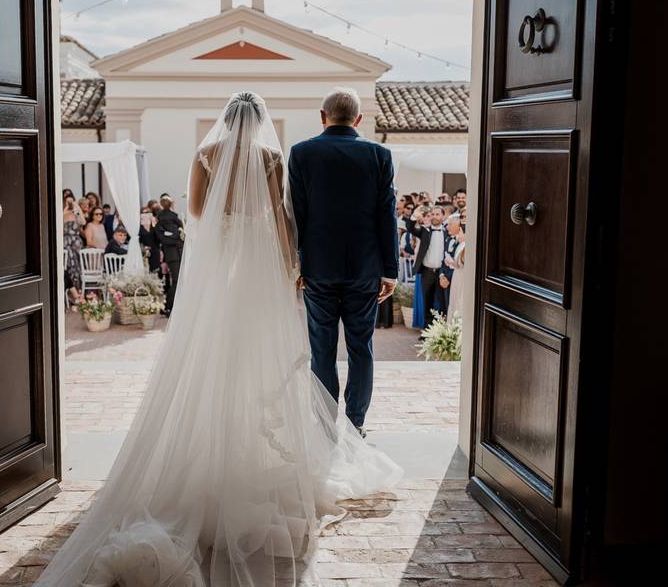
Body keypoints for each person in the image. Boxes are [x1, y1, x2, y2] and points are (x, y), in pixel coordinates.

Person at [34, 91, 402, 587]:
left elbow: (200, 213)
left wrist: (239, 246)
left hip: (222, 269)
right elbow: (279, 215)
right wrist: (286, 261)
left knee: (214, 356)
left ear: (225, 121)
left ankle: (208, 448)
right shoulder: (275, 156)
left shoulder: (207, 155)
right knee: (291, 356)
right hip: (270, 269)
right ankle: (339, 429)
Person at [288, 87, 398, 436]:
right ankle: (356, 423)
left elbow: (297, 216)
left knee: (321, 348)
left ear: (323, 117)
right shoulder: (379, 154)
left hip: (318, 267)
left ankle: (324, 424)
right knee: (360, 347)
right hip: (366, 268)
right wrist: (391, 270)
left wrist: (297, 263)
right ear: (359, 119)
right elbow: (387, 215)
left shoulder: (302, 153)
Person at [407, 204, 449, 328]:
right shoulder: (425, 231)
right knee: (427, 302)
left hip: (442, 273)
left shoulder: (448, 232)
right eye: (433, 214)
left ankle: (441, 330)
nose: (434, 217)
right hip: (427, 272)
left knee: (442, 302)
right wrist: (415, 215)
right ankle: (427, 331)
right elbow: (411, 228)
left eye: (437, 214)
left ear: (443, 216)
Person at [154, 195, 184, 316]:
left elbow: (164, 238)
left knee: (177, 281)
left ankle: (170, 306)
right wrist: (176, 237)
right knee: (177, 280)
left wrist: (173, 236)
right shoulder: (174, 220)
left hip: (171, 254)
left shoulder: (160, 223)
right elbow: (177, 236)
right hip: (177, 252)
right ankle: (169, 306)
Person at [62, 193, 86, 305]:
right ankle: (70, 294)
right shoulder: (63, 212)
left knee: (77, 267)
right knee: (68, 266)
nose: (70, 203)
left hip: (76, 242)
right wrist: (66, 209)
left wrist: (77, 208)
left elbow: (83, 222)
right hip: (65, 242)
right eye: (68, 201)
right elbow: (58, 222)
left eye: (71, 201)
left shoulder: (76, 212)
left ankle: (79, 292)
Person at [445, 217, 466, 322]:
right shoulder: (461, 245)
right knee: (453, 301)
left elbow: (463, 263)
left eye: (461, 231)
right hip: (456, 276)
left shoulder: (466, 246)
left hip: (462, 278)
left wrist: (454, 263)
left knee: (459, 302)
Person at [138, 206, 161, 273]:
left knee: (155, 271)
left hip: (155, 251)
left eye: (148, 213)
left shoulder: (154, 225)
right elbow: (138, 239)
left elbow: (159, 238)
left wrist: (154, 225)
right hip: (144, 252)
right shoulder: (139, 227)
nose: (146, 215)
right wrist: (144, 247)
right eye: (144, 213)